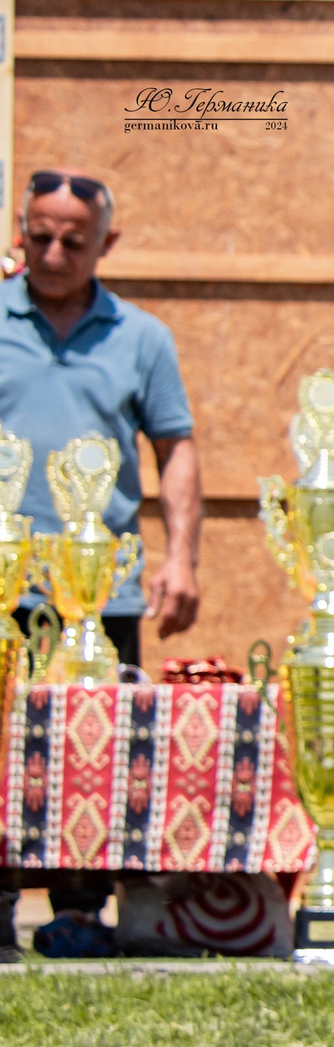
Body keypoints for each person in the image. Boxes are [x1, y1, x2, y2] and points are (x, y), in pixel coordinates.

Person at [0, 168, 203, 960]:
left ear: (106, 243)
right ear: (19, 232)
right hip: (4, 587)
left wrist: (181, 558)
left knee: (94, 752)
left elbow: (175, 447)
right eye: (39, 236)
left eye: (73, 242)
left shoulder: (142, 338)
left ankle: (81, 912)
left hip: (100, 594)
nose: (53, 254)